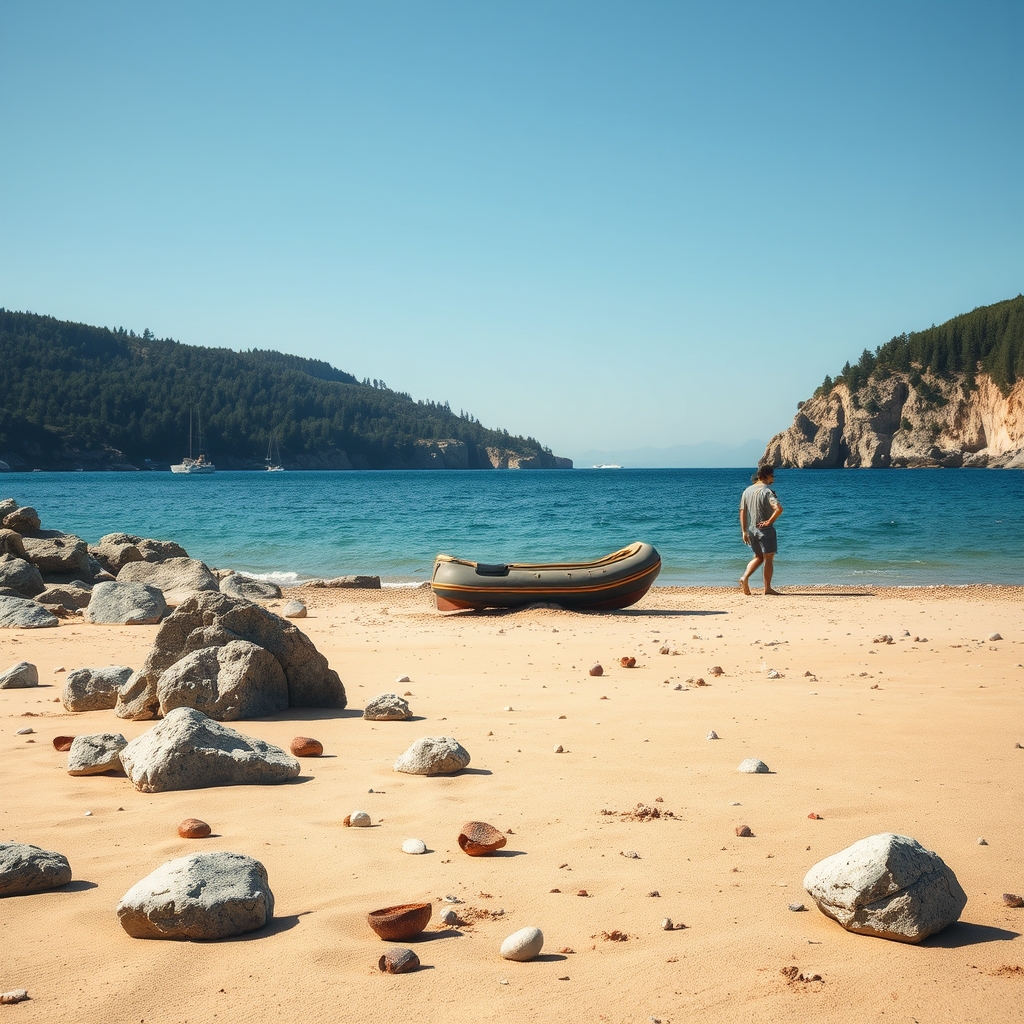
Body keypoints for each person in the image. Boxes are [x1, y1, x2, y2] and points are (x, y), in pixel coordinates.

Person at [739, 465, 783, 596]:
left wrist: (744, 531)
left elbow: (742, 511)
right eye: (772, 476)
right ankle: (767, 588)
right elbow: (778, 508)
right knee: (768, 558)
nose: (773, 479)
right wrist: (769, 521)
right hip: (765, 530)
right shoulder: (766, 491)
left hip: (752, 529)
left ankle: (745, 577)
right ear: (766, 476)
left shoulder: (747, 491)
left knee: (758, 557)